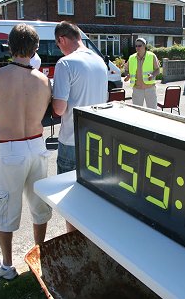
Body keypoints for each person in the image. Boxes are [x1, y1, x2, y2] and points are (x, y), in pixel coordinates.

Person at [0, 23, 52, 280]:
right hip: (37, 145)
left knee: (4, 204)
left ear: (10, 47)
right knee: (39, 204)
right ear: (35, 48)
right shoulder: (43, 79)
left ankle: (7, 265)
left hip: (11, 147)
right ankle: (40, 254)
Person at [52, 21, 108, 232]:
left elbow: (59, 109)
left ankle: (74, 239)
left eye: (58, 45)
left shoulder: (65, 63)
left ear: (62, 40)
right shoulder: (100, 62)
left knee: (71, 200)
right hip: (96, 140)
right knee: (91, 195)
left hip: (72, 140)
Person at [124, 38, 160, 109]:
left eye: (139, 46)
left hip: (150, 89)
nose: (137, 47)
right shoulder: (131, 58)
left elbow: (158, 69)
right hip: (137, 89)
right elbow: (126, 70)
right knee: (137, 111)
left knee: (153, 111)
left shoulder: (152, 56)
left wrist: (152, 75)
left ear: (144, 46)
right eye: (136, 46)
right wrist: (127, 75)